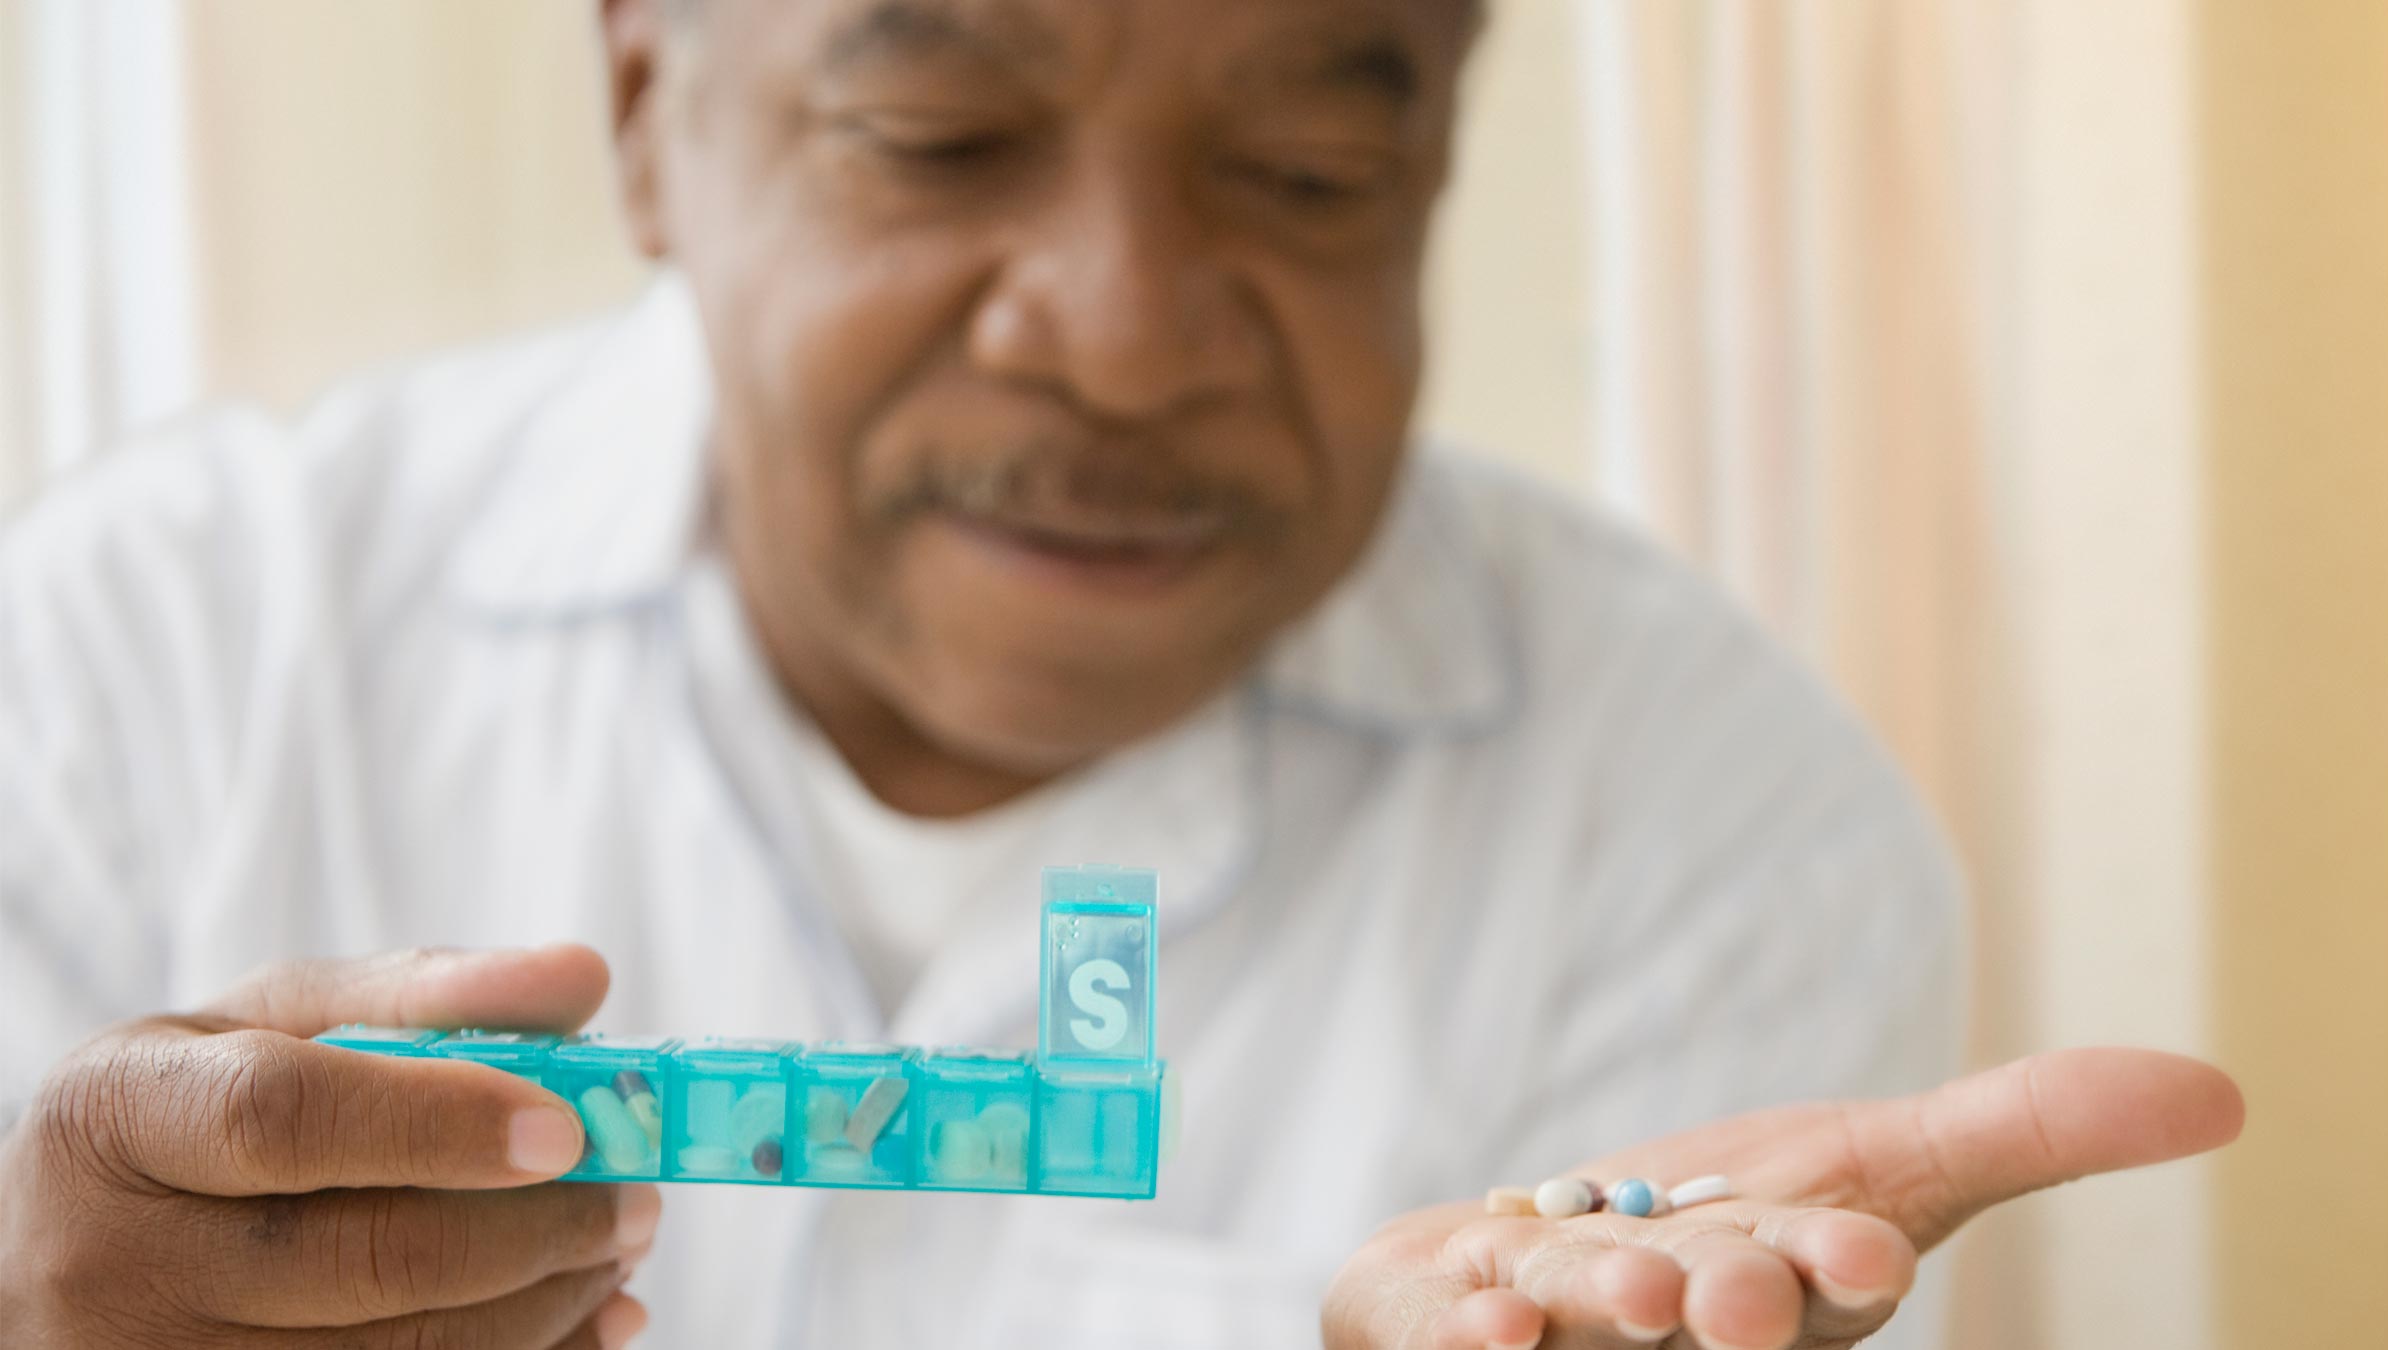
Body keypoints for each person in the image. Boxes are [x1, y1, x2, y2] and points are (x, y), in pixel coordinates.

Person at [0, 1, 2241, 1346]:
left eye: (1305, 167)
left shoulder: (1727, 834)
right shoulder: (129, 669)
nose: (1127, 328)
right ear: (642, 103)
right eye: (939, 138)